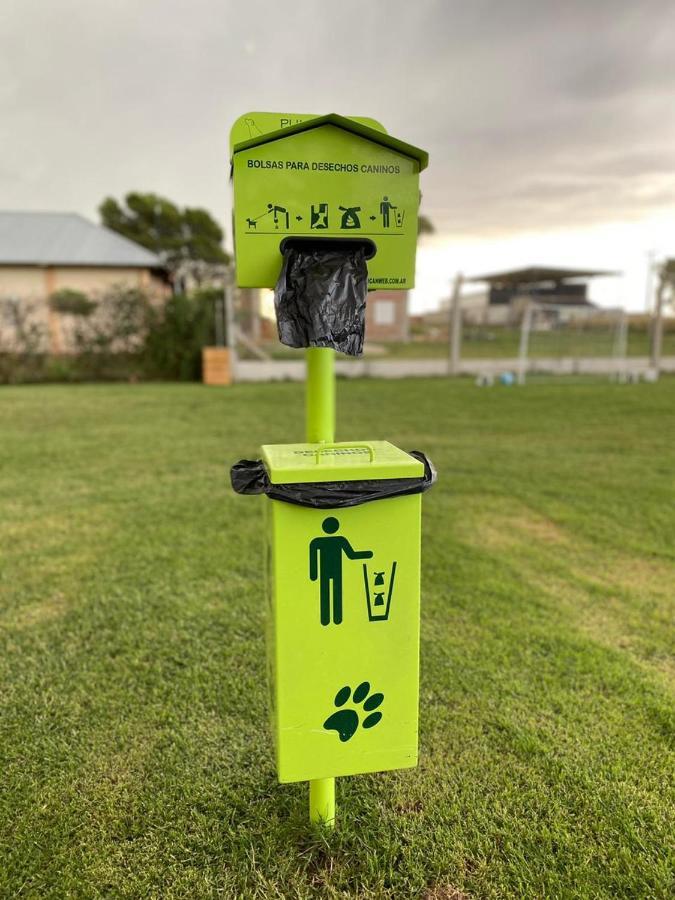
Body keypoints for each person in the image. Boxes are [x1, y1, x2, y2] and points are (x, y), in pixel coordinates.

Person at [309, 517, 372, 626]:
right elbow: (352, 555)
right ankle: (335, 618)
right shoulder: (338, 540)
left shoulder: (318, 541)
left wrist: (314, 574)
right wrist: (367, 554)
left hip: (328, 571)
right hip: (335, 570)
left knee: (327, 592)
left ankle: (327, 619)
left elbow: (313, 558)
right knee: (335, 592)